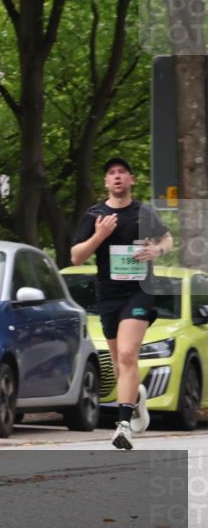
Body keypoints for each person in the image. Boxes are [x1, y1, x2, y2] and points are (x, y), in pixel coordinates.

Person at [70, 158, 173, 449]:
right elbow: (76, 256)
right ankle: (136, 398)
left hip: (139, 291)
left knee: (128, 354)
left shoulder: (143, 212)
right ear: (106, 182)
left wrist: (157, 249)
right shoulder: (94, 215)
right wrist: (99, 235)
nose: (116, 177)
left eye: (121, 173)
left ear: (131, 180)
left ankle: (123, 425)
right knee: (119, 363)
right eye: (111, 173)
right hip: (108, 294)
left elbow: (167, 239)